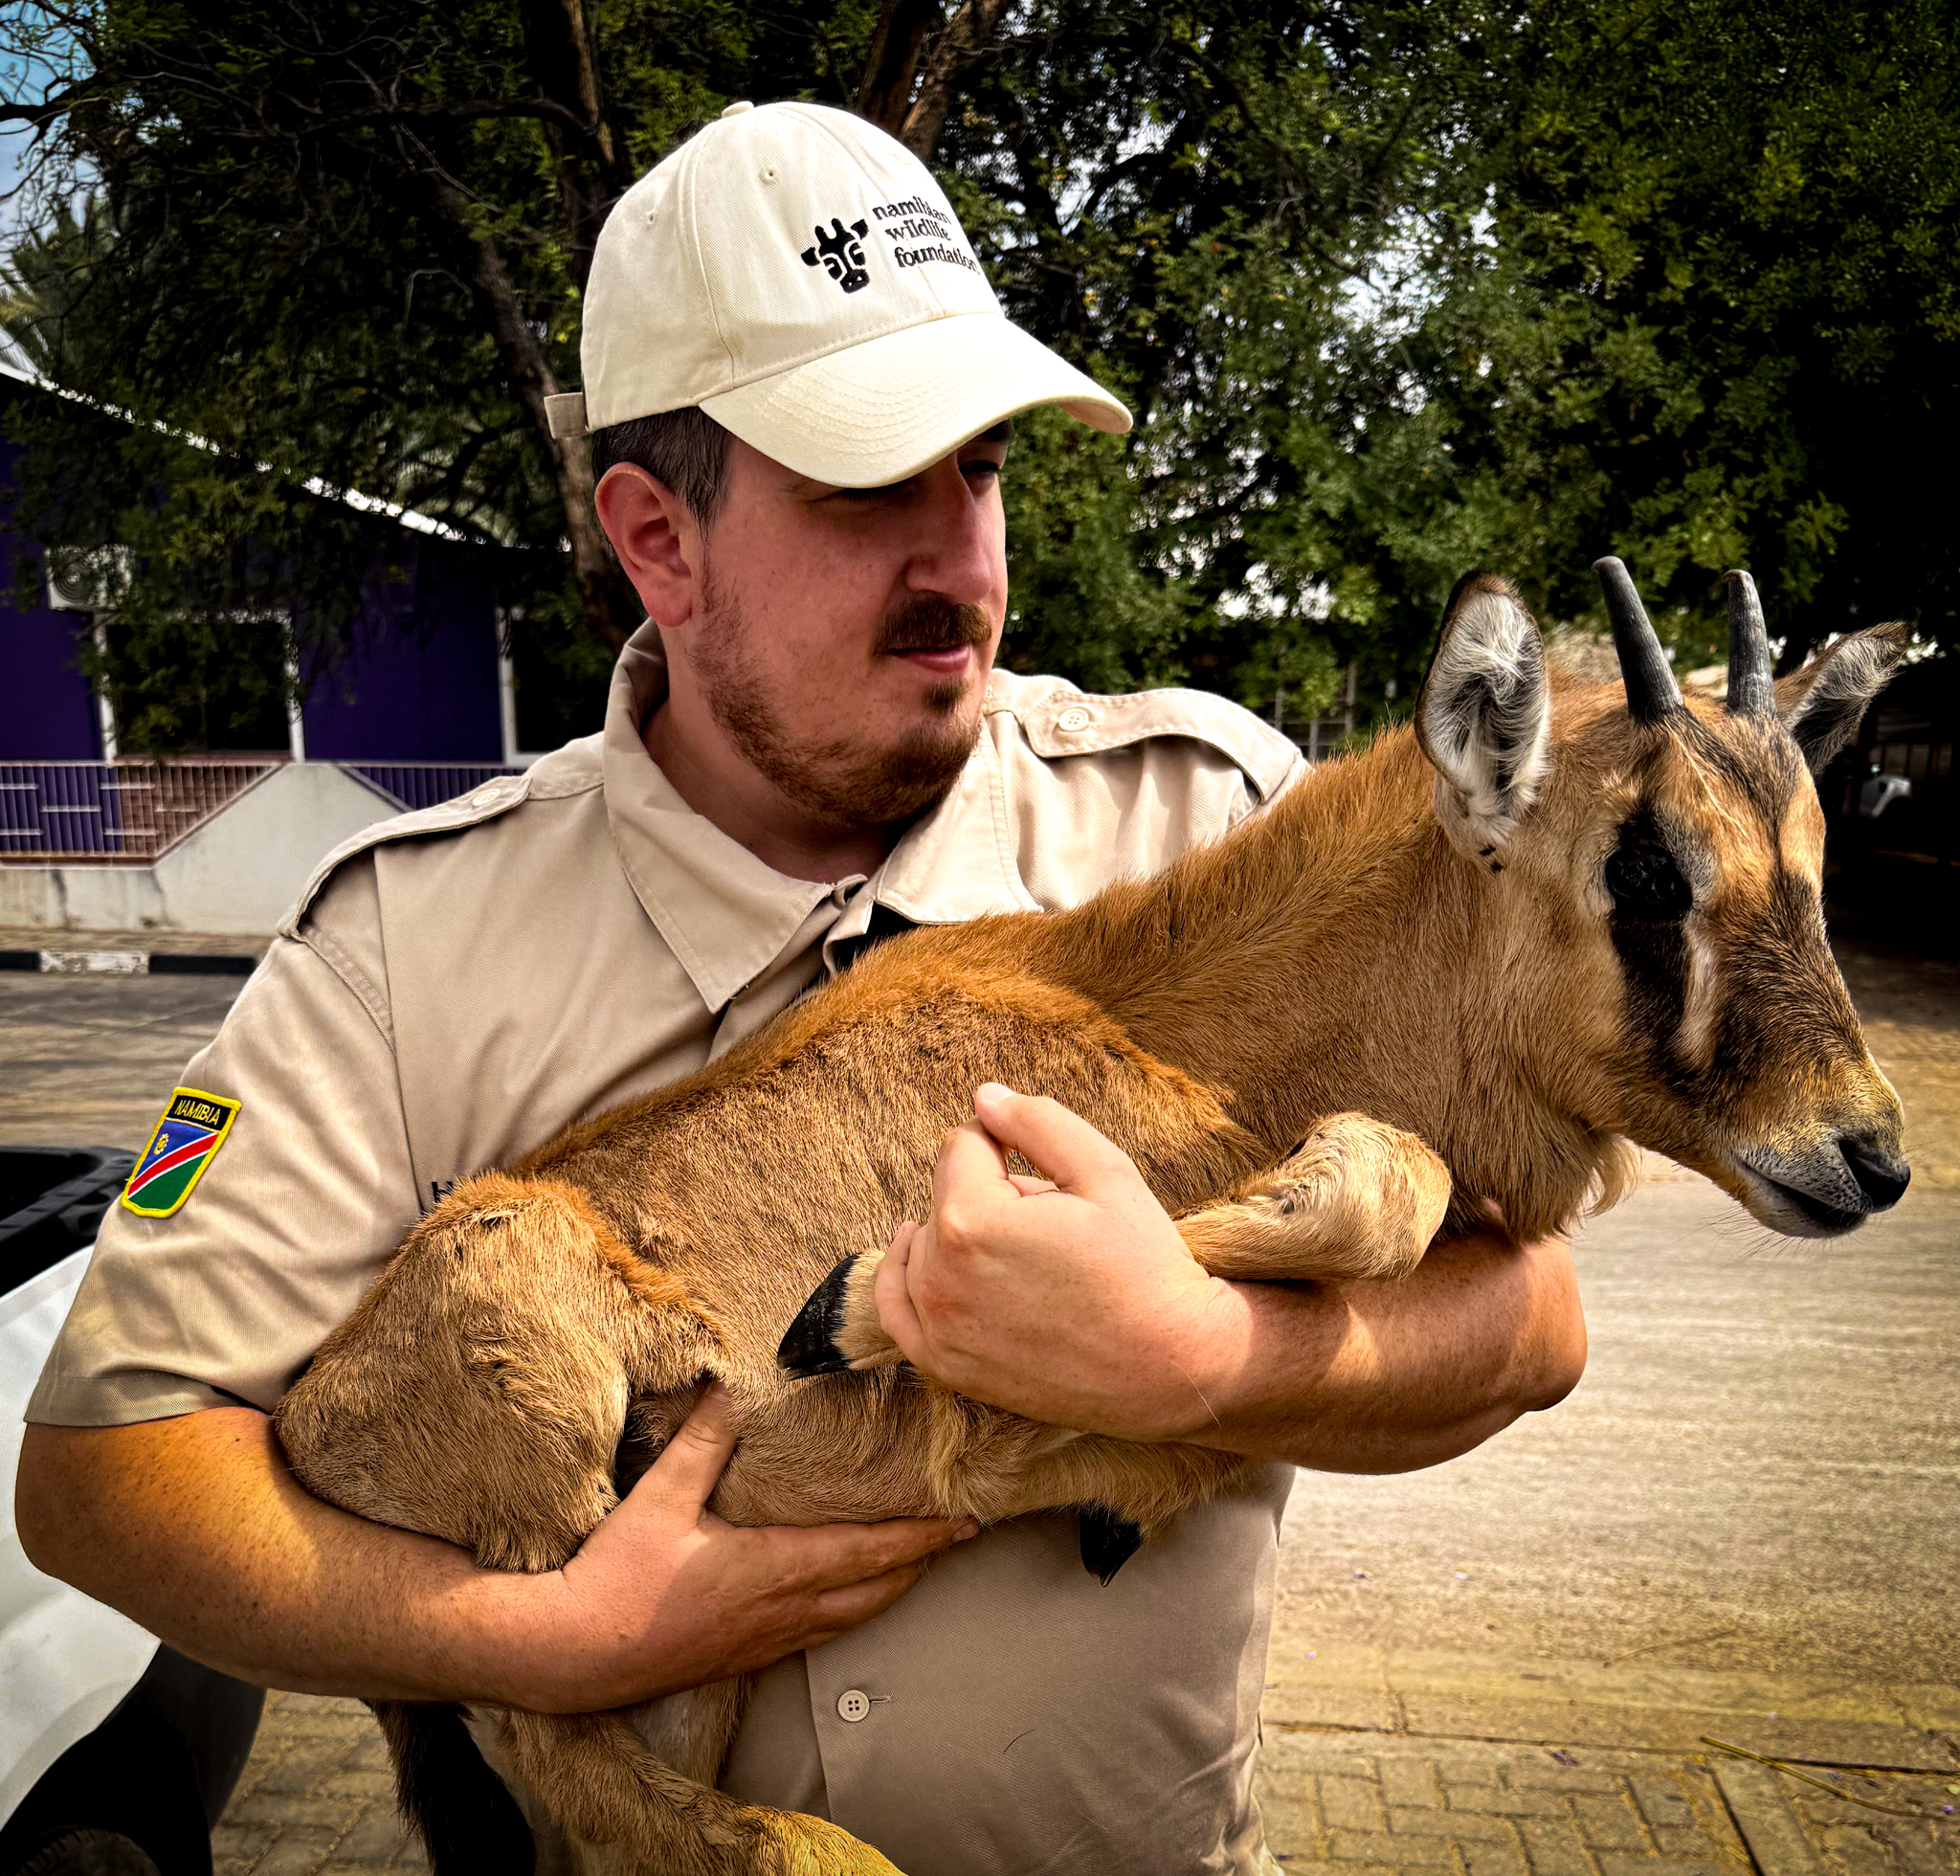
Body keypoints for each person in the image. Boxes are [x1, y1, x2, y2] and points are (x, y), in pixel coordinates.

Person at [16, 101, 1585, 1874]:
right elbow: (103, 1474)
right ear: (655, 538)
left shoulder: (1210, 827)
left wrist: (1201, 1355)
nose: (964, 567)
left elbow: (1531, 1326)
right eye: (865, 484)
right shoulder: (394, 946)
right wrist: (550, 1644)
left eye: (981, 468)